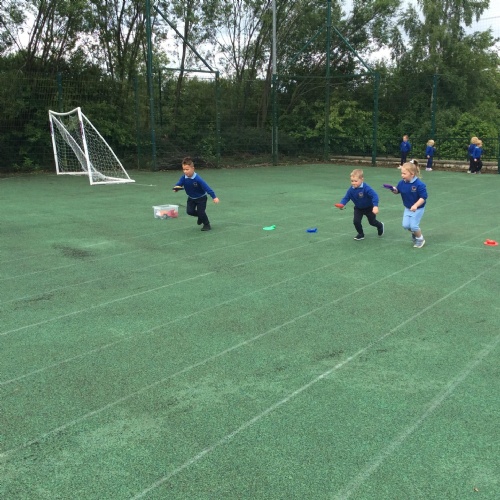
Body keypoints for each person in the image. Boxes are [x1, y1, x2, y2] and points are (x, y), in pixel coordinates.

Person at [335, 169, 384, 241]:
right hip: (358, 208)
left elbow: (374, 196)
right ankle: (361, 234)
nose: (353, 183)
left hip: (369, 208)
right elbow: (346, 197)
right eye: (352, 181)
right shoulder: (351, 190)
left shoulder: (366, 188)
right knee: (356, 221)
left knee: (372, 222)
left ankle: (380, 225)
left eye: (356, 181)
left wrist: (375, 206)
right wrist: (342, 204)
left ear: (362, 179)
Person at [388, 160, 428, 248]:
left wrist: (416, 205)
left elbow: (423, 197)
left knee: (414, 226)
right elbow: (398, 191)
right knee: (405, 225)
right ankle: (415, 233)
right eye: (401, 173)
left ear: (412, 174)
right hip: (408, 208)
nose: (402, 175)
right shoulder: (402, 183)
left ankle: (420, 239)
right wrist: (394, 190)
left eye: (404, 173)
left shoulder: (419, 184)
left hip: (418, 209)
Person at [173, 157, 219, 231]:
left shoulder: (198, 179)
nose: (185, 171)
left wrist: (214, 197)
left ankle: (207, 224)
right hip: (191, 198)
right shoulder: (183, 178)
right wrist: (176, 188)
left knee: (201, 212)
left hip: (201, 198)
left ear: (193, 168)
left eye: (187, 169)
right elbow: (179, 184)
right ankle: (200, 216)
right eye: (184, 169)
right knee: (189, 212)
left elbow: (207, 187)